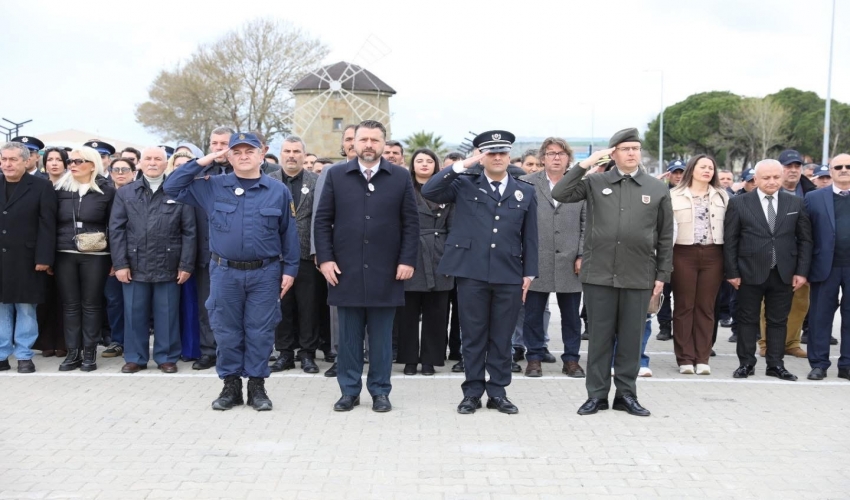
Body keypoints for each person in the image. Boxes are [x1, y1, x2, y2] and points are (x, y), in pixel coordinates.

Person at [164, 132, 299, 411]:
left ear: (262, 155)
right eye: (236, 151)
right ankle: (231, 385)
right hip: (225, 272)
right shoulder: (213, 185)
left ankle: (257, 386)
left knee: (260, 331)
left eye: (249, 151)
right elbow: (172, 187)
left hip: (265, 273)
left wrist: (291, 269)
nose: (243, 156)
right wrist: (205, 160)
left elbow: (289, 234)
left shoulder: (278, 190)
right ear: (228, 156)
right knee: (226, 331)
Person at [553, 128, 673, 417]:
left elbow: (665, 235)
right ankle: (596, 395)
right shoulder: (595, 182)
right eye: (625, 148)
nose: (632, 152)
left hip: (639, 273)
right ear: (613, 153)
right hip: (600, 274)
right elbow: (560, 192)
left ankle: (626, 395)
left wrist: (662, 275)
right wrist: (587, 162)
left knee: (631, 340)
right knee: (600, 338)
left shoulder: (656, 188)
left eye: (636, 148)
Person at [422, 130, 538, 415]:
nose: (497, 157)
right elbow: (430, 190)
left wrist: (530, 273)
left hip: (509, 273)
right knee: (473, 336)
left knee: (502, 337)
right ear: (481, 156)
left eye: (502, 153)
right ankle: (472, 391)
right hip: (471, 271)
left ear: (509, 156)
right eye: (490, 153)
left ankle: (498, 392)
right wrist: (464, 164)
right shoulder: (464, 184)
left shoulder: (526, 190)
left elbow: (531, 236)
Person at [314, 120, 418, 412]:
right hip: (344, 271)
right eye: (363, 140)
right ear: (353, 143)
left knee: (382, 341)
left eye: (375, 140)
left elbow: (411, 223)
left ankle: (380, 391)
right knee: (348, 338)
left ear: (384, 144)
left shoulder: (399, 177)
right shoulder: (336, 174)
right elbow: (322, 221)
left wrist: (407, 260)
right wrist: (325, 258)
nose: (369, 145)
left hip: (387, 271)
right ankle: (349, 391)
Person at [110, 147, 196, 374]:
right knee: (134, 313)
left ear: (166, 163)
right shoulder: (126, 193)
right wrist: (120, 264)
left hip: (168, 263)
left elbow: (189, 231)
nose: (152, 162)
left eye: (158, 158)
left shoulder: (179, 192)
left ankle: (166, 357)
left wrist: (186, 264)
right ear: (139, 163)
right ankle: (135, 358)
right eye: (148, 158)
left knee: (167, 314)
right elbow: (116, 230)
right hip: (134, 264)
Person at [724, 159, 812, 381]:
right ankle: (746, 363)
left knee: (778, 320)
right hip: (748, 271)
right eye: (766, 178)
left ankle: (775, 364)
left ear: (781, 178)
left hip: (784, 272)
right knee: (747, 319)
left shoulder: (795, 203)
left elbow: (805, 240)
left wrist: (801, 271)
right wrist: (732, 272)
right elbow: (731, 240)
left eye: (775, 177)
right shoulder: (739, 203)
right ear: (756, 179)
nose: (771, 182)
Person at [520, 138, 586, 378]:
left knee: (571, 315)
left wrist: (581, 254)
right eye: (550, 153)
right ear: (543, 158)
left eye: (561, 153)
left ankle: (571, 360)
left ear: (568, 158)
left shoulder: (581, 185)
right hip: (536, 258)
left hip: (570, 260)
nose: (556, 157)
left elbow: (586, 222)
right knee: (533, 312)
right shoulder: (526, 183)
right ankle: (534, 358)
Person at [54, 147, 115, 372]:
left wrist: (116, 260)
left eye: (78, 160)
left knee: (91, 304)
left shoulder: (107, 190)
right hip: (64, 253)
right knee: (70, 305)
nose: (73, 164)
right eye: (70, 160)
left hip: (96, 254)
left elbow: (115, 226)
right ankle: (73, 353)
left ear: (92, 163)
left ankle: (89, 353)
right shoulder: (59, 188)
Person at [0, 142, 57, 373]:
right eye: (4, 159)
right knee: (2, 308)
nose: (7, 164)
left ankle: (24, 355)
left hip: (27, 258)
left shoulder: (41, 187)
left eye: (13, 159)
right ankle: (2, 354)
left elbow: (47, 225)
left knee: (25, 308)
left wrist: (44, 258)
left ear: (26, 161)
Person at [397, 148, 454, 376]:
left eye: (429, 161)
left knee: (437, 311)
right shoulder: (404, 190)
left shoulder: (448, 190)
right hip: (411, 253)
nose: (423, 164)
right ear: (412, 165)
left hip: (440, 252)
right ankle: (409, 359)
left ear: (436, 165)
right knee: (407, 311)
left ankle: (431, 359)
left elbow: (455, 224)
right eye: (419, 161)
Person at [669, 155, 728, 375]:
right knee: (685, 306)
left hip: (714, 254)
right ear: (692, 169)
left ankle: (702, 357)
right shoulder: (674, 195)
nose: (707, 171)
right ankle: (685, 358)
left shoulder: (722, 196)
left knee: (706, 306)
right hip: (683, 253)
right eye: (702, 167)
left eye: (711, 167)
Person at [268, 136, 322, 374]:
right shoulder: (268, 181)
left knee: (309, 307)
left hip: (307, 256)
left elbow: (322, 219)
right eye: (287, 151)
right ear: (281, 154)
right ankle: (285, 353)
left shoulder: (317, 181)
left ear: (304, 155)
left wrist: (319, 251)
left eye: (297, 151)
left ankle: (308, 354)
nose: (292, 155)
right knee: (282, 307)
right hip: (275, 256)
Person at [757, 149, 816, 359]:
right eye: (788, 166)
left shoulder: (811, 192)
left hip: (801, 255)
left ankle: (791, 342)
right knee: (769, 303)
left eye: (797, 166)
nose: (793, 170)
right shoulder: (767, 190)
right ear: (779, 170)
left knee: (800, 302)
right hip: (772, 256)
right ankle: (766, 343)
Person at [311, 124, 359, 378]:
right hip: (337, 255)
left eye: (356, 138)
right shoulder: (330, 173)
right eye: (348, 139)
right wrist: (320, 252)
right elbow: (320, 216)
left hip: (372, 256)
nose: (352, 143)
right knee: (338, 311)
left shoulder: (386, 174)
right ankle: (342, 357)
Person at [804, 153, 850, 381]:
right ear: (830, 171)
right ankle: (819, 364)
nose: (844, 169)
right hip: (824, 267)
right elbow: (805, 236)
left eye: (848, 166)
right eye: (838, 166)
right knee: (820, 317)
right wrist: (803, 269)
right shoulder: (813, 198)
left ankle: (847, 365)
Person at [192, 126, 234, 371]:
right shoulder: (199, 173)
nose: (219, 148)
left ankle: (232, 351)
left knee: (233, 307)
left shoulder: (245, 172)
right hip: (205, 251)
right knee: (207, 305)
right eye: (214, 143)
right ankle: (208, 350)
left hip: (235, 252)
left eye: (224, 143)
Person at [100, 158, 137, 359]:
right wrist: (115, 259)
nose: (120, 173)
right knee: (114, 300)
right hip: (110, 255)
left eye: (125, 169)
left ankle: (133, 342)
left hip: (136, 255)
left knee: (135, 303)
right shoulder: (105, 193)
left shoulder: (140, 192)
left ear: (133, 171)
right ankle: (117, 340)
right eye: (116, 169)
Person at [34, 148, 68, 358]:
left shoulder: (72, 186)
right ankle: (46, 341)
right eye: (50, 160)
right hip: (41, 247)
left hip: (65, 247)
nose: (54, 163)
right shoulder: (37, 185)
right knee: (43, 298)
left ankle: (63, 341)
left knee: (65, 298)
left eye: (58, 160)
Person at [655, 159, 685, 341]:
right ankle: (665, 327)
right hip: (664, 250)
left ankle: (681, 329)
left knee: (682, 294)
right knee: (663, 293)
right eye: (675, 172)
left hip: (683, 251)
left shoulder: (690, 193)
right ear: (669, 174)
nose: (679, 176)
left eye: (682, 172)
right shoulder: (660, 192)